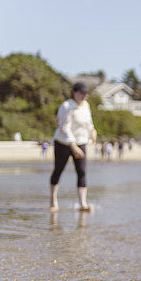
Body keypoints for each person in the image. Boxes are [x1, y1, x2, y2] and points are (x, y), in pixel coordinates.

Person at [49, 82, 97, 211]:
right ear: (74, 92)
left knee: (82, 172)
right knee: (58, 170)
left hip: (81, 141)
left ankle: (83, 203)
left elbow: (89, 122)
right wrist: (73, 146)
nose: (83, 96)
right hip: (63, 142)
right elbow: (64, 127)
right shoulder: (66, 106)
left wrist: (92, 130)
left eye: (85, 93)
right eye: (81, 93)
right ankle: (53, 201)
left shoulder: (86, 105)